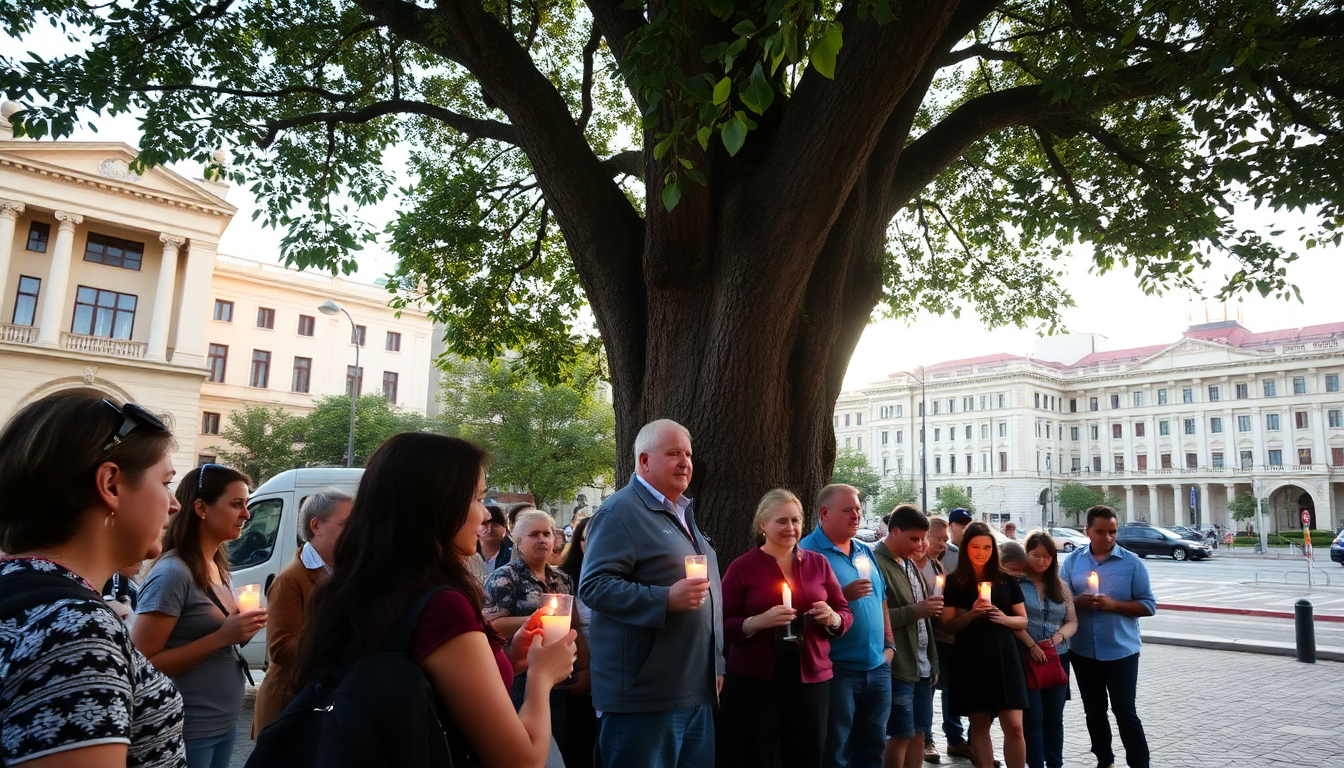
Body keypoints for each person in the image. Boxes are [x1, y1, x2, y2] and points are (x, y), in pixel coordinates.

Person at [293, 432, 576, 767]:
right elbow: (521, 760)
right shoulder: (441, 606)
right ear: (437, 505)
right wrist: (543, 677)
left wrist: (510, 658)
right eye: (476, 499)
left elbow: (426, 687)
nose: (486, 516)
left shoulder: (356, 586)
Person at [0, 390, 186, 767]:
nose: (174, 503)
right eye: (166, 482)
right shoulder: (76, 631)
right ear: (111, 484)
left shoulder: (22, 590)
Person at [579, 419, 724, 768]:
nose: (685, 462)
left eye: (688, 454)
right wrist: (664, 599)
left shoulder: (683, 512)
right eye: (673, 453)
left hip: (694, 692)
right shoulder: (620, 511)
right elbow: (594, 586)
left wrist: (715, 665)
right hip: (645, 700)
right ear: (644, 461)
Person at [133, 463, 265, 768]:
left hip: (223, 724)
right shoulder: (172, 574)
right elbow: (142, 663)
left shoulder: (218, 566)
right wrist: (223, 637)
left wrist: (240, 631)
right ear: (201, 508)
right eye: (237, 504)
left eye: (246, 504)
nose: (246, 514)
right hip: (188, 728)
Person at [720, 489, 852, 768]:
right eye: (781, 521)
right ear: (762, 525)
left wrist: (833, 618)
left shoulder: (818, 563)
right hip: (755, 681)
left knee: (808, 756)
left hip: (811, 678)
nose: (790, 528)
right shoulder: (742, 567)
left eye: (795, 521)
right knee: (752, 757)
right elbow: (719, 625)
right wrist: (757, 622)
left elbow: (844, 611)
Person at [800, 484, 893, 768]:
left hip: (877, 666)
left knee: (873, 748)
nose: (856, 515)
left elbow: (881, 598)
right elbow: (800, 608)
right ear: (824, 513)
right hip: (837, 669)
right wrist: (843, 595)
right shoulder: (806, 552)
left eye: (858, 509)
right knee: (834, 751)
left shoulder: (865, 550)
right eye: (848, 510)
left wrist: (889, 644)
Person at [250, 489, 353, 737]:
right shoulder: (291, 580)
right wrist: (338, 630)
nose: (355, 532)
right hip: (289, 709)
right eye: (345, 525)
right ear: (316, 526)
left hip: (316, 704)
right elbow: (281, 649)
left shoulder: (339, 572)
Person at [1062, 506, 1156, 768]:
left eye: (1113, 532)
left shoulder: (1132, 563)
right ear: (1087, 531)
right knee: (1094, 711)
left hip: (1121, 651)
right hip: (1082, 652)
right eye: (1101, 532)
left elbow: (1148, 606)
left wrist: (1114, 605)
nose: (1108, 537)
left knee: (1125, 712)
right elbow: (1059, 602)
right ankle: (1105, 760)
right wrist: (1076, 601)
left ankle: (1139, 763)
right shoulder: (1072, 562)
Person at [940, 522, 1029, 768]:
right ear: (966, 547)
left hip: (1004, 655)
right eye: (975, 547)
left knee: (1014, 726)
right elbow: (948, 626)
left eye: (987, 547)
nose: (981, 552)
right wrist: (972, 613)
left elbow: (1022, 620)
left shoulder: (1006, 580)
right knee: (979, 725)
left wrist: (1002, 618)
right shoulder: (955, 582)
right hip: (971, 656)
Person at [873, 505, 942, 768]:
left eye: (923, 539)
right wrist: (917, 610)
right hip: (899, 665)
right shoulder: (876, 562)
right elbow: (877, 617)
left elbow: (924, 622)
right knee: (900, 734)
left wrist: (933, 660)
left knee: (919, 732)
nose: (919, 545)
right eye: (914, 539)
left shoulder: (909, 562)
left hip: (922, 664)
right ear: (896, 531)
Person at [1015, 532, 1078, 768]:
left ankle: (1055, 763)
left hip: (1057, 658)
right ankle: (1035, 764)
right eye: (1035, 555)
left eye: (1047, 556)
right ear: (1027, 554)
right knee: (1034, 718)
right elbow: (1013, 620)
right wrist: (1031, 645)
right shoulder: (1017, 584)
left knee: (1055, 719)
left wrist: (1060, 636)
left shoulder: (1060, 586)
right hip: (1027, 658)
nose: (1041, 561)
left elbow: (1072, 621)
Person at [556, 514, 598, 768]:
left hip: (611, 672)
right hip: (575, 671)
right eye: (584, 539)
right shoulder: (564, 579)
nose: (591, 544)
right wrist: (585, 670)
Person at [933, 512, 970, 759]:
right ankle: (926, 738)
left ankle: (955, 738)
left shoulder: (957, 556)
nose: (944, 543)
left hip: (955, 633)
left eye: (946, 538)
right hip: (932, 635)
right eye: (939, 537)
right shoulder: (919, 560)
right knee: (929, 686)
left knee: (953, 689)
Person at [912, 516, 947, 765]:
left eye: (925, 539)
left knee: (928, 689)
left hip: (932, 634)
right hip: (908, 635)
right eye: (920, 539)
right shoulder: (901, 564)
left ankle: (926, 737)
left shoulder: (936, 567)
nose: (923, 544)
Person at [479, 504, 514, 573]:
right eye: (485, 524)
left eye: (495, 524)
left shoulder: (512, 554)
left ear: (504, 528)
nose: (490, 528)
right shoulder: (467, 554)